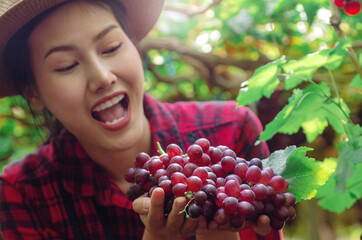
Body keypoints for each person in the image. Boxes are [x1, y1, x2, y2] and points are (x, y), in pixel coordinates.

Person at [0, 0, 283, 239]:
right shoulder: (22, 195)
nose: (102, 77)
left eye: (111, 48)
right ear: (33, 93)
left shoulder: (232, 130)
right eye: (67, 65)